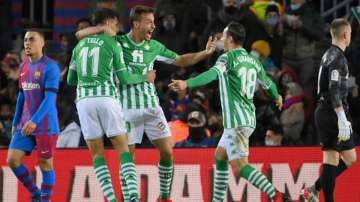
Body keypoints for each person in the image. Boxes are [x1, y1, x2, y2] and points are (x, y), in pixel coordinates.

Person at [76, 5, 217, 202]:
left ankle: (165, 197)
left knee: (167, 151)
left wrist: (204, 53)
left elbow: (181, 60)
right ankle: (128, 198)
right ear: (136, 24)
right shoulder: (116, 42)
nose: (153, 26)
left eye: (154, 22)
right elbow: (82, 36)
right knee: (127, 158)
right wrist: (100, 29)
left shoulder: (155, 47)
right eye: (149, 22)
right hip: (125, 109)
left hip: (151, 108)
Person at [169, 22, 289, 202]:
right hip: (246, 119)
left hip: (236, 122)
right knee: (220, 157)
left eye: (224, 37)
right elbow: (269, 85)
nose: (222, 40)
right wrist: (278, 97)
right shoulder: (253, 61)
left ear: (231, 39)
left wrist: (187, 83)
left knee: (241, 167)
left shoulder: (227, 58)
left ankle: (276, 195)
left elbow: (211, 74)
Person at [67, 8, 156, 202]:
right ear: (107, 23)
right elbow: (124, 78)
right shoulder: (113, 44)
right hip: (107, 98)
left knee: (97, 154)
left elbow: (70, 80)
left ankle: (112, 199)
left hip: (83, 102)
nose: (117, 28)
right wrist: (145, 77)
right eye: (115, 24)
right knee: (123, 150)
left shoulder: (79, 46)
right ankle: (132, 196)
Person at [300, 18, 357, 202]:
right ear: (346, 35)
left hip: (331, 110)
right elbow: (333, 89)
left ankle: (313, 189)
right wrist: (340, 116)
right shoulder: (338, 58)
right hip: (331, 111)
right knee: (331, 159)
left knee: (350, 158)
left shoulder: (328, 54)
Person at [6, 29, 61, 202]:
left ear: (42, 43)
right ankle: (36, 193)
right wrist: (16, 120)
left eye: (32, 39)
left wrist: (34, 120)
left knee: (46, 164)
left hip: (45, 124)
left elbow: (50, 98)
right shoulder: (23, 66)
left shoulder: (51, 67)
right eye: (25, 40)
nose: (27, 43)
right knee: (13, 160)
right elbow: (22, 96)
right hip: (25, 124)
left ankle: (45, 200)